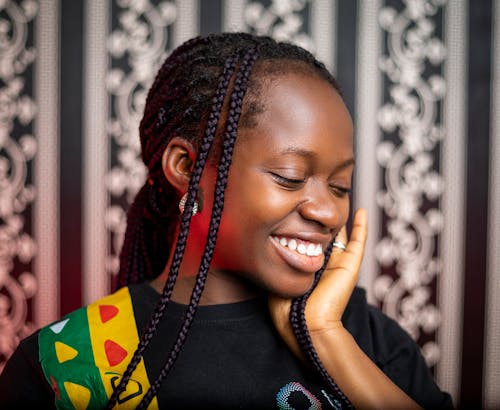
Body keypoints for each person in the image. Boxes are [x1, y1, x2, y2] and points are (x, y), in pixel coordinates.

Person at [0, 32, 452, 409]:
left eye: (339, 186)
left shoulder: (365, 335)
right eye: (290, 177)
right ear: (185, 168)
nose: (328, 211)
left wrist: (327, 338)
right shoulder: (66, 363)